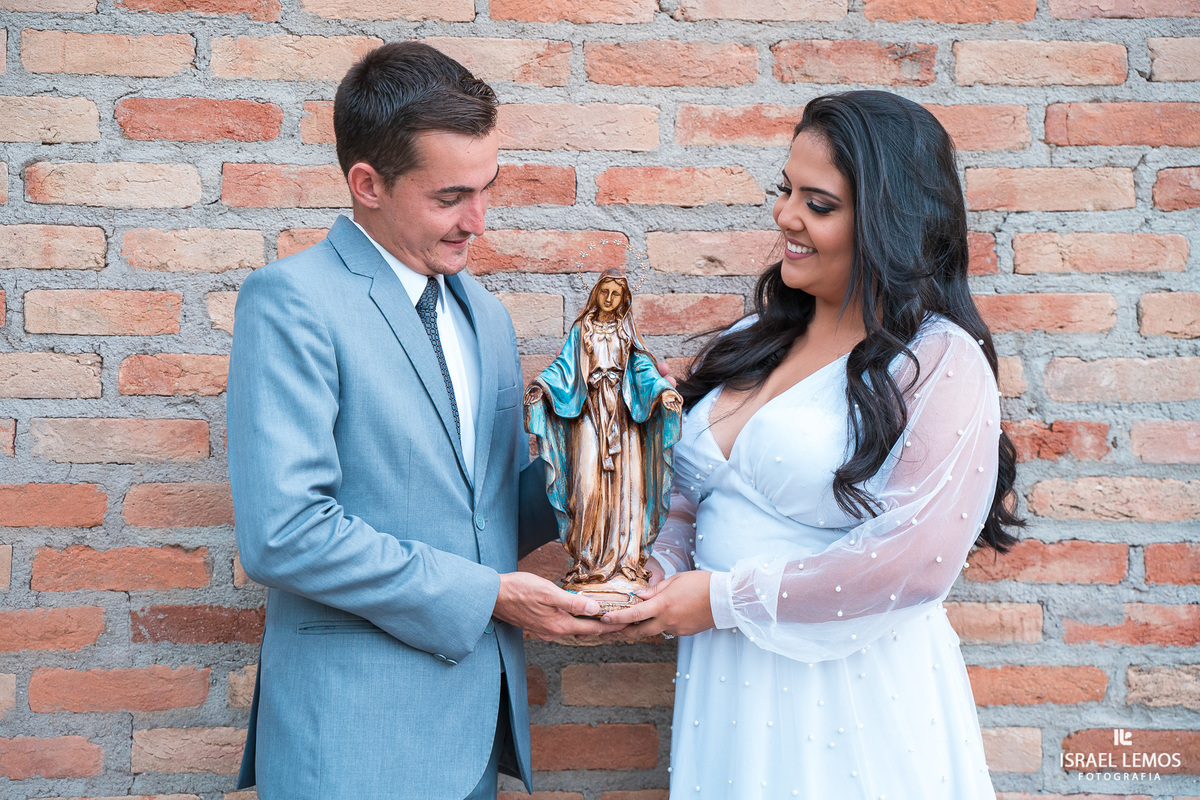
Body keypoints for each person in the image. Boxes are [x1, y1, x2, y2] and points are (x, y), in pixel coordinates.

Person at [226, 41, 619, 800]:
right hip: (352, 738)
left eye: (488, 188)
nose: (478, 220)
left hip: (476, 734)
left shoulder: (488, 317)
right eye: (450, 197)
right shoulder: (292, 302)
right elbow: (284, 533)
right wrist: (490, 596)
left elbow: (492, 509)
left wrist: (605, 440)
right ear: (367, 184)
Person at [603, 90, 1023, 799]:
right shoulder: (751, 340)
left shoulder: (938, 361)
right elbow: (690, 494)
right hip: (729, 687)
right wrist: (660, 567)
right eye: (785, 190)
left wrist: (724, 600)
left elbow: (915, 563)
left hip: (850, 694)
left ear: (890, 221)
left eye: (818, 204)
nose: (785, 217)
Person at [524, 269, 683, 598]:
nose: (609, 299)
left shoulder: (626, 333)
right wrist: (542, 387)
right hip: (589, 415)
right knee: (587, 485)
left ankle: (625, 561)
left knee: (628, 489)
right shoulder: (582, 330)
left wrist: (660, 393)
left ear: (624, 299)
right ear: (595, 293)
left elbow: (643, 368)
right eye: (604, 291)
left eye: (616, 293)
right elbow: (564, 367)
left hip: (624, 420)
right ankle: (587, 562)